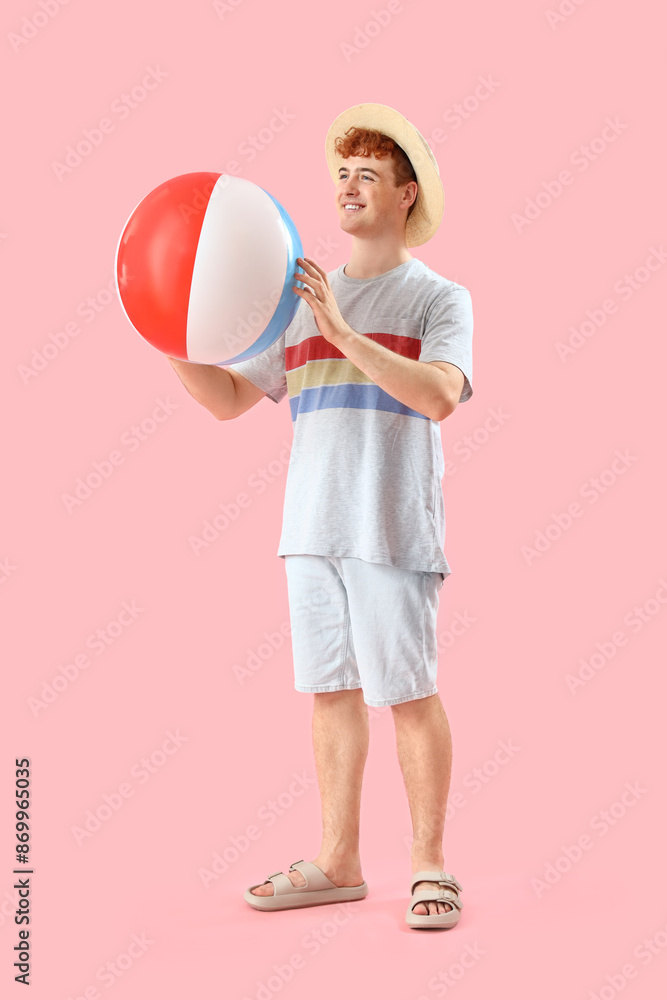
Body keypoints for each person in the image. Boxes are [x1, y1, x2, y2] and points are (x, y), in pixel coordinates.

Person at [167, 103, 473, 929]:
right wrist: (170, 333)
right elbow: (231, 397)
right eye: (342, 172)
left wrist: (342, 330)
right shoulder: (300, 297)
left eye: (367, 174)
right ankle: (339, 861)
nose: (347, 185)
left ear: (405, 195)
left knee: (407, 693)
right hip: (309, 532)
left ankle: (429, 866)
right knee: (330, 693)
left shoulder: (437, 299)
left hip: (390, 528)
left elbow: (440, 396)